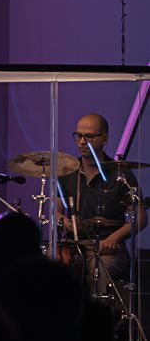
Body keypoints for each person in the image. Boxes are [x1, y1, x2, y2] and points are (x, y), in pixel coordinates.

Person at [56, 112, 143, 297]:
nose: (82, 142)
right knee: (53, 275)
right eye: (78, 136)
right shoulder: (67, 171)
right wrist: (64, 221)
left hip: (107, 248)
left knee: (98, 275)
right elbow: (55, 212)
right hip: (73, 246)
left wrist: (115, 238)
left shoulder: (121, 174)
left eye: (89, 136)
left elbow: (140, 218)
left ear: (105, 138)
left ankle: (98, 314)